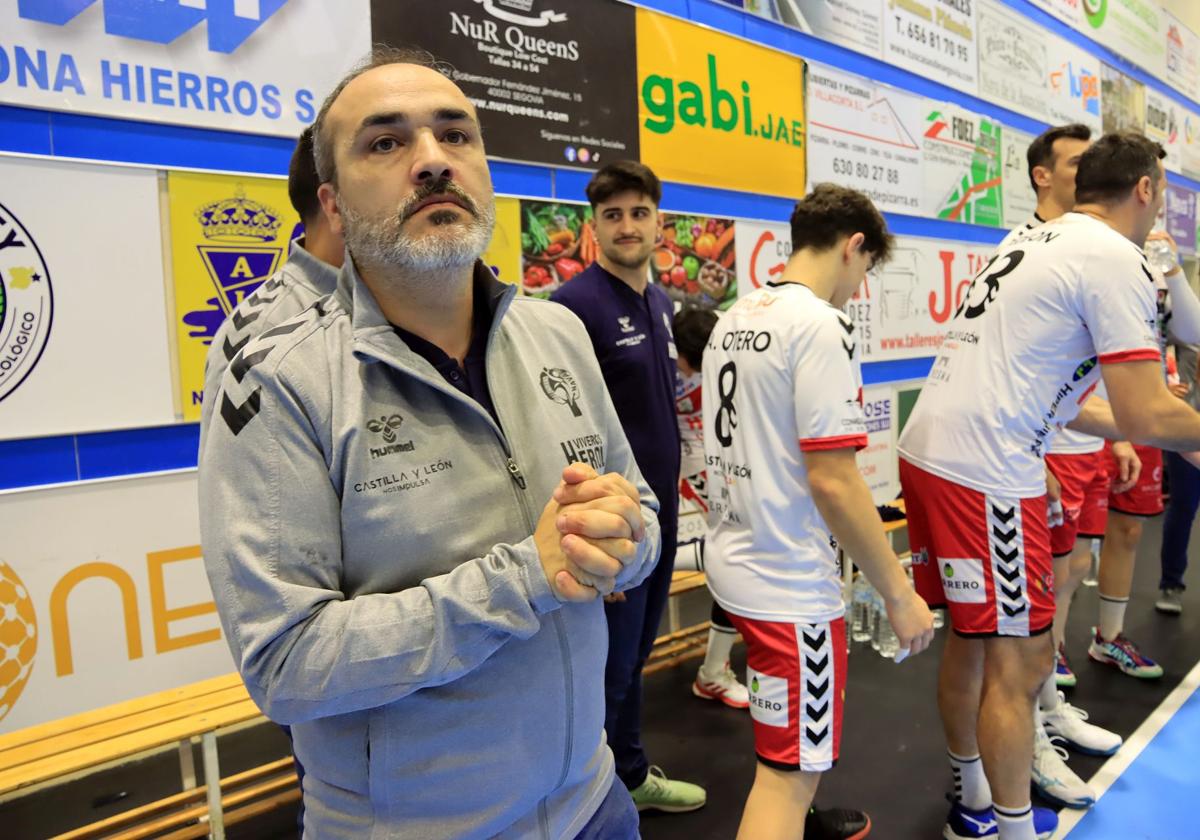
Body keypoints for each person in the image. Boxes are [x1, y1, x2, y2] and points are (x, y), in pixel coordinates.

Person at [199, 46, 663, 839]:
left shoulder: (557, 332)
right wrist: (528, 574)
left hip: (594, 802)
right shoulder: (281, 375)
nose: (432, 162)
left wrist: (627, 539)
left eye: (457, 135)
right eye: (385, 142)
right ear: (333, 203)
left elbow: (640, 510)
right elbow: (286, 664)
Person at [899, 131, 1200, 840]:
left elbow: (1076, 403)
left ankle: (974, 804)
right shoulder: (1114, 258)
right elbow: (1142, 410)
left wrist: (1183, 443)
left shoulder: (1033, 240)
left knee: (975, 644)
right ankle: (1011, 829)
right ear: (1146, 191)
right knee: (1025, 657)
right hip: (985, 471)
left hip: (934, 453)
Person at [703, 183, 935, 840]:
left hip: (736, 560)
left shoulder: (737, 314)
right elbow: (834, 481)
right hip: (786, 584)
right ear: (854, 246)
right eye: (864, 271)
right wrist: (897, 592)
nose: (858, 289)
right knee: (784, 781)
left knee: (788, 755)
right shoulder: (820, 324)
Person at [550, 161, 707, 814]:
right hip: (611, 527)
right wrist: (597, 534)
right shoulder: (572, 308)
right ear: (594, 227)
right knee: (604, 675)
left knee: (635, 660)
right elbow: (558, 427)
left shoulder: (662, 302)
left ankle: (632, 775)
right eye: (612, 214)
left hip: (659, 516)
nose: (627, 225)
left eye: (638, 212)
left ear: (658, 224)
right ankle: (584, 804)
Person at [994, 123, 1125, 810]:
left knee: (1068, 581)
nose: (1089, 172)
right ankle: (1031, 738)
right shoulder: (1025, 251)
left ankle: (1048, 709)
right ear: (1042, 175)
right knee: (1028, 615)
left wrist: (1125, 431)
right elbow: (1010, 375)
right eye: (1077, 162)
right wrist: (1032, 452)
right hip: (1028, 459)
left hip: (1080, 446)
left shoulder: (1089, 249)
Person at [199, 126, 343, 455]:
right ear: (333, 202)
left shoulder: (397, 305)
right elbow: (246, 498)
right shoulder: (260, 334)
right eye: (381, 150)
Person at [673, 306, 750, 710]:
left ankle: (713, 673)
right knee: (736, 551)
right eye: (691, 367)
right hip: (694, 462)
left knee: (737, 555)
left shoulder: (728, 333)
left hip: (729, 458)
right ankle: (713, 674)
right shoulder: (662, 359)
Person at [1157, 339, 1200, 614]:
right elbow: (1153, 342)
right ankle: (1171, 584)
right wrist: (1160, 390)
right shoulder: (1185, 324)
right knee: (1183, 507)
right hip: (1186, 423)